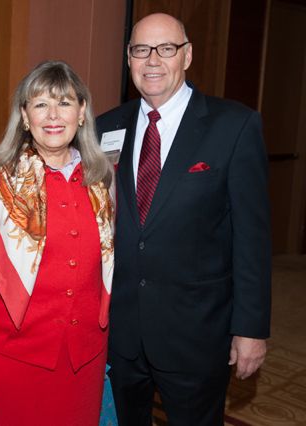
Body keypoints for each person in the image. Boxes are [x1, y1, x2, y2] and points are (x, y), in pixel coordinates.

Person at [96, 13, 271, 426]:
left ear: (187, 55)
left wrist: (250, 329)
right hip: (121, 332)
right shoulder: (105, 127)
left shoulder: (234, 126)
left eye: (166, 48)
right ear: (129, 58)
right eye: (141, 50)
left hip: (197, 334)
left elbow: (252, 238)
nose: (153, 60)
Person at [0, 60, 115, 425]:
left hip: (82, 364)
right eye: (41, 104)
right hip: (10, 364)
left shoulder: (103, 181)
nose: (53, 115)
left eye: (64, 102)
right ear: (25, 116)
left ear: (82, 112)